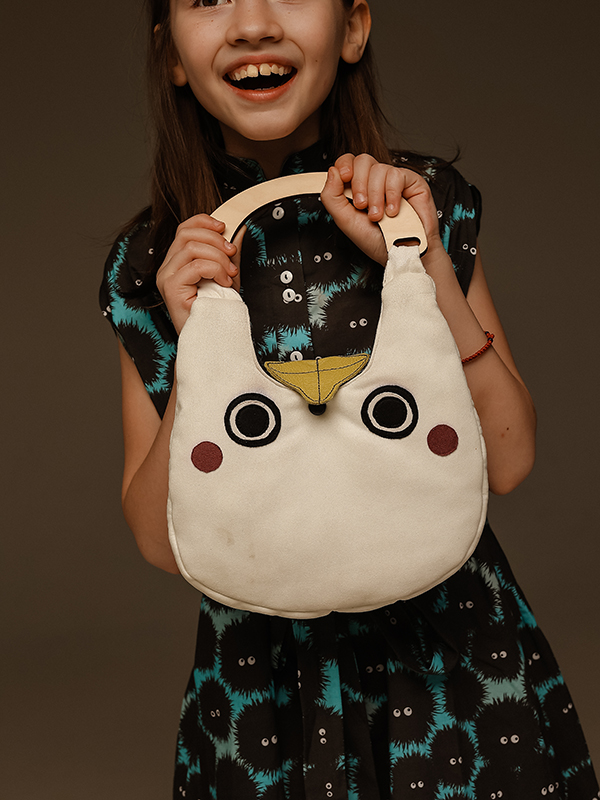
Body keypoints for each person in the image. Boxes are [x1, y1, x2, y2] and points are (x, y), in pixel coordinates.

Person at [100, 1, 599, 797]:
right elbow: (163, 544)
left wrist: (424, 263)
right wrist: (197, 343)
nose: (252, 23)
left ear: (355, 27)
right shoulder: (152, 264)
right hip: (266, 690)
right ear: (170, 55)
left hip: (455, 670)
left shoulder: (423, 206)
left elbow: (508, 460)